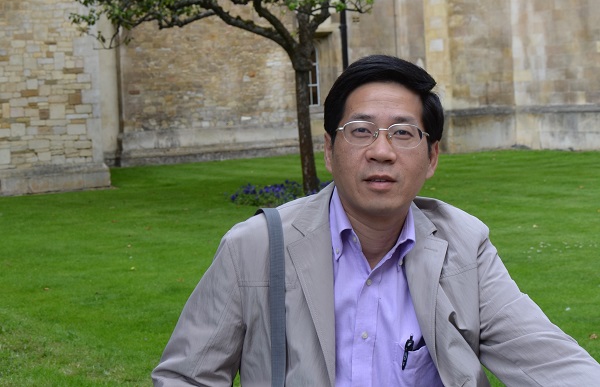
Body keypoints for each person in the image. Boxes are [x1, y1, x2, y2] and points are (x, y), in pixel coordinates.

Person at [152, 54, 600, 386]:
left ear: (432, 157)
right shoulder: (256, 247)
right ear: (329, 150)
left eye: (403, 133)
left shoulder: (463, 247)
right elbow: (186, 377)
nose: (381, 151)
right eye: (361, 131)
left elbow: (550, 362)